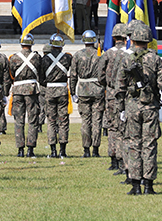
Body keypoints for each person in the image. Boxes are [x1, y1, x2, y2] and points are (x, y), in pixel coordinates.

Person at [116, 20, 162, 195]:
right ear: (148, 39)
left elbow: (120, 86)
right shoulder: (155, 59)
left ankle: (135, 186)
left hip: (132, 106)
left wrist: (121, 109)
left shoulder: (126, 59)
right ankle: (148, 185)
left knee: (134, 145)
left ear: (132, 40)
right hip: (150, 107)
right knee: (149, 145)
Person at [70, 30, 106, 158]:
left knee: (86, 121)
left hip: (84, 91)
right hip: (98, 90)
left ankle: (86, 150)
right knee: (97, 121)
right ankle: (95, 149)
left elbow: (73, 76)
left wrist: (72, 91)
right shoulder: (100, 54)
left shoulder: (78, 55)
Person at [8, 33, 42, 157]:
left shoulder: (14, 58)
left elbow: (11, 73)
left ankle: (20, 149)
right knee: (33, 120)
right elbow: (40, 71)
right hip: (31, 90)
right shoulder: (36, 57)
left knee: (19, 121)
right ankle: (30, 149)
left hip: (17, 90)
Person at [102, 23, 129, 172]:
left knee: (112, 127)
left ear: (113, 37)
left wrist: (108, 84)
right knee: (125, 128)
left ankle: (114, 159)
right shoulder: (129, 53)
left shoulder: (108, 54)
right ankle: (125, 159)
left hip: (112, 94)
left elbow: (100, 74)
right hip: (126, 95)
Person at [41, 33, 73, 158]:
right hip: (62, 90)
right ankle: (63, 151)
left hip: (49, 90)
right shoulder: (67, 58)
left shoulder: (44, 59)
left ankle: (53, 150)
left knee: (51, 121)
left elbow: (41, 77)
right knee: (63, 120)